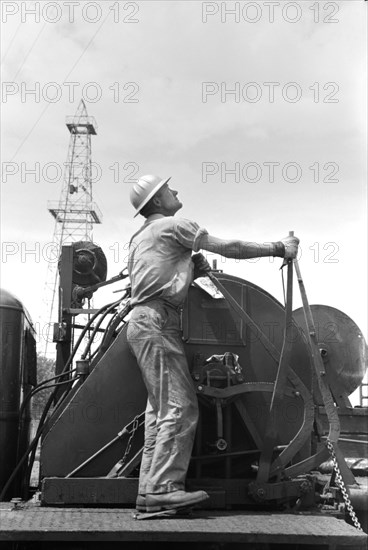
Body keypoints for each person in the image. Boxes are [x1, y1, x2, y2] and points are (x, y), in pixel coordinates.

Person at [126, 174, 299, 514]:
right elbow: (228, 248)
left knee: (160, 412)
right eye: (167, 189)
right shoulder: (175, 226)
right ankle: (163, 489)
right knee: (181, 408)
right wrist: (278, 248)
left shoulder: (141, 236)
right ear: (158, 202)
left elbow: (162, 272)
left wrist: (191, 266)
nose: (175, 190)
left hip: (144, 323)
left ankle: (149, 491)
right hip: (159, 323)